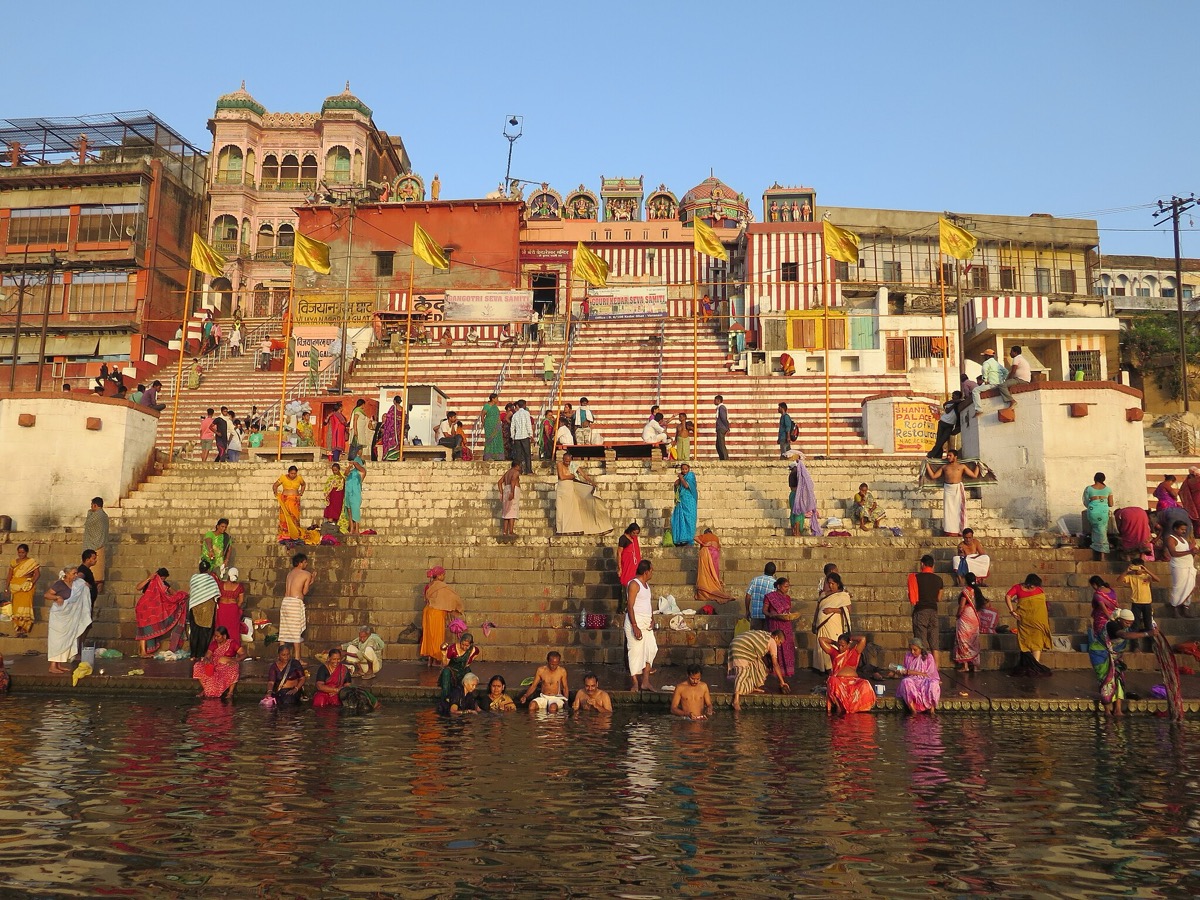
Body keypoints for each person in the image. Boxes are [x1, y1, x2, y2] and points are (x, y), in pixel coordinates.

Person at [1089, 609, 1155, 717]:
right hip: (1100, 654)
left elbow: (1133, 632)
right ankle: (1107, 710)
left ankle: (1118, 710)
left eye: (1130, 623)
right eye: (1126, 622)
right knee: (1106, 680)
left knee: (1119, 678)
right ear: (1119, 620)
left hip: (1115, 655)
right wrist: (1147, 633)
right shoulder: (1112, 625)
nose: (1128, 625)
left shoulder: (1127, 627)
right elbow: (1124, 635)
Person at [923, 450, 981, 537]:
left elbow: (974, 475)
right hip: (948, 489)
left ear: (955, 456)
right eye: (947, 456)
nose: (948, 457)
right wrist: (927, 465)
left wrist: (978, 465)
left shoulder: (962, 466)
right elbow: (933, 476)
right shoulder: (944, 467)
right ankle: (949, 531)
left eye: (950, 455)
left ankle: (960, 530)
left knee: (959, 510)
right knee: (948, 511)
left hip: (958, 488)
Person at [727, 629, 788, 711]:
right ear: (776, 638)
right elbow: (775, 664)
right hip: (740, 647)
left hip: (739, 643)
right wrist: (782, 682)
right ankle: (736, 700)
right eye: (780, 642)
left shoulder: (766, 635)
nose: (779, 645)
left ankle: (752, 686)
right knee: (743, 672)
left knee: (757, 666)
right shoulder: (772, 641)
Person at [46, 566, 91, 675]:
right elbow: (47, 595)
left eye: (76, 573)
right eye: (74, 573)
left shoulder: (78, 583)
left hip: (71, 617)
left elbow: (88, 586)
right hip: (59, 617)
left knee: (67, 640)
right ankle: (52, 666)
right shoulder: (59, 584)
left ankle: (59, 664)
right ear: (67, 574)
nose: (76, 575)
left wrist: (85, 585)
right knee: (56, 641)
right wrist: (57, 597)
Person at [1005, 574, 1053, 676]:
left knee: (1037, 642)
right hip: (1024, 620)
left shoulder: (1039, 590)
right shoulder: (1017, 587)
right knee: (1025, 641)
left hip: (1038, 621)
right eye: (1033, 585)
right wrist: (1012, 611)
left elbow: (1041, 604)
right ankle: (1031, 666)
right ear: (1028, 582)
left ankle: (1035, 665)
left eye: (1035, 586)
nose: (1034, 587)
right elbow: (1008, 596)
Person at [134, 568, 188, 657]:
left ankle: (144, 651)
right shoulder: (150, 581)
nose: (162, 581)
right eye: (162, 579)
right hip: (144, 607)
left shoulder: (164, 584)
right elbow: (138, 587)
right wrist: (149, 578)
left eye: (163, 579)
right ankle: (143, 652)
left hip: (154, 610)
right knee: (143, 629)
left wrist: (181, 596)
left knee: (147, 628)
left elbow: (174, 593)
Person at [555, 451, 611, 535]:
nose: (567, 463)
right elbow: (562, 476)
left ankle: (573, 529)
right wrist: (572, 476)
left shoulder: (574, 466)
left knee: (573, 509)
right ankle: (560, 530)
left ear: (571, 460)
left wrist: (591, 482)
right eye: (566, 461)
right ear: (563, 459)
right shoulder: (559, 464)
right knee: (560, 510)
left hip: (573, 486)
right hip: (563, 488)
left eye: (569, 461)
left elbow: (584, 475)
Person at [819, 633, 875, 715]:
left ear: (848, 645)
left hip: (853, 682)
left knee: (865, 683)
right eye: (839, 645)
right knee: (832, 679)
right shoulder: (834, 653)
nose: (840, 648)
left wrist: (850, 638)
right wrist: (834, 642)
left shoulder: (855, 652)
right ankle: (839, 706)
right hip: (839, 682)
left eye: (843, 645)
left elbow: (863, 639)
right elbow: (821, 639)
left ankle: (859, 708)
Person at [420, 566, 463, 666]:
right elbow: (453, 599)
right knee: (437, 636)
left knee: (429, 636)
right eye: (443, 574)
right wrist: (457, 608)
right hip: (436, 613)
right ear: (439, 576)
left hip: (427, 612)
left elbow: (426, 599)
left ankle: (430, 660)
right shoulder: (442, 586)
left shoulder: (429, 585)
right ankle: (437, 659)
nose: (444, 576)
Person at [625, 560, 656, 691]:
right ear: (646, 572)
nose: (652, 573)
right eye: (651, 570)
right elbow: (630, 606)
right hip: (635, 622)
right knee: (635, 653)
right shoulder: (634, 584)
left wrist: (652, 618)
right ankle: (635, 683)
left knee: (651, 649)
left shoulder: (646, 585)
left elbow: (648, 604)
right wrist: (634, 625)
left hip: (646, 623)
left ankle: (645, 682)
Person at [811, 572, 852, 673]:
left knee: (833, 644)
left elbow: (848, 610)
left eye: (833, 583)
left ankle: (834, 667)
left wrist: (832, 610)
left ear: (838, 584)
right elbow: (817, 609)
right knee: (821, 645)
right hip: (821, 625)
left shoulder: (843, 595)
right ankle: (822, 668)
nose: (830, 585)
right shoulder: (823, 595)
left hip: (834, 624)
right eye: (829, 583)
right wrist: (814, 622)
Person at [763, 577, 802, 678]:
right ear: (779, 586)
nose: (787, 589)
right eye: (785, 587)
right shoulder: (769, 596)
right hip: (775, 624)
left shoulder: (788, 598)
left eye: (788, 587)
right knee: (776, 647)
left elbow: (787, 612)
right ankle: (775, 670)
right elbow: (764, 610)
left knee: (787, 646)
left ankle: (787, 670)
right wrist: (770, 615)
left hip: (786, 625)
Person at [279, 552, 314, 665]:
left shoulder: (290, 574)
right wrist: (312, 580)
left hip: (285, 602)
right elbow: (304, 591)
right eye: (305, 562)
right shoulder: (306, 574)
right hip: (295, 603)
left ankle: (280, 656)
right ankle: (297, 658)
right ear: (300, 563)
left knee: (283, 631)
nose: (306, 564)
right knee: (296, 631)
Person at [192, 626, 245, 699]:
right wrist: (206, 659)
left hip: (227, 665)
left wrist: (235, 660)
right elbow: (208, 655)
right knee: (197, 665)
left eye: (218, 636)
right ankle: (206, 689)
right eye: (215, 636)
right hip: (214, 665)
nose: (215, 638)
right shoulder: (213, 644)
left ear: (224, 636)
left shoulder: (232, 643)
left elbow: (244, 654)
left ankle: (230, 692)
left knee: (234, 667)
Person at [895, 637, 941, 713]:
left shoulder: (928, 657)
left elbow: (930, 675)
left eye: (915, 650)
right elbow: (906, 672)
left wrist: (911, 672)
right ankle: (913, 710)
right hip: (912, 681)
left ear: (921, 649)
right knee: (905, 681)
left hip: (924, 682)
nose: (912, 652)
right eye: (911, 649)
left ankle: (932, 710)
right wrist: (899, 672)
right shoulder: (908, 656)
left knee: (934, 684)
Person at [909, 554, 943, 652]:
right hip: (933, 611)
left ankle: (924, 666)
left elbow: (912, 597)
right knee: (934, 644)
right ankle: (935, 667)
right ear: (933, 565)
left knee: (921, 642)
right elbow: (939, 598)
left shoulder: (915, 577)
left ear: (922, 564)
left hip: (920, 611)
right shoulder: (939, 579)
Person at [5, 543, 39, 637]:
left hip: (26, 587)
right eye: (19, 552)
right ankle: (18, 629)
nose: (21, 554)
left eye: (23, 552)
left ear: (26, 552)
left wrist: (31, 583)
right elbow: (9, 576)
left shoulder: (31, 562)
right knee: (16, 609)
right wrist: (6, 588)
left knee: (25, 608)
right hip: (15, 587)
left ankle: (25, 628)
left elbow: (37, 574)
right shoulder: (13, 562)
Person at [953, 573, 985, 673]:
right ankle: (975, 666)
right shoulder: (978, 591)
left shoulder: (966, 591)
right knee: (974, 640)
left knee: (963, 640)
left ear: (966, 580)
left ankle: (965, 665)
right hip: (975, 617)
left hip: (966, 617)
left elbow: (962, 605)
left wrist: (958, 614)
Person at [1166, 519, 1196, 617]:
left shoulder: (1184, 540)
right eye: (1182, 529)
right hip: (1178, 566)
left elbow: (1188, 553)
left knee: (1190, 587)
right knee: (1178, 587)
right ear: (1175, 529)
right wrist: (1190, 552)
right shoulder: (1171, 538)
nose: (1184, 531)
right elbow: (1173, 553)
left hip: (1188, 566)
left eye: (1185, 529)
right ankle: (1174, 607)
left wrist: (1193, 551)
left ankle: (1185, 607)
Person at [1123, 559, 1158, 640]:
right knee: (1135, 625)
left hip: (1147, 603)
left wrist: (1146, 570)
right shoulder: (1131, 577)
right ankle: (1135, 645)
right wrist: (1126, 571)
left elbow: (1157, 579)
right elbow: (1119, 580)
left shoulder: (1147, 576)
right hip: (1136, 603)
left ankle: (1151, 644)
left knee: (1148, 624)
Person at [694, 529, 732, 602]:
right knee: (714, 571)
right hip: (715, 553)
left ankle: (706, 589)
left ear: (705, 533)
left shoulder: (705, 536)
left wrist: (703, 543)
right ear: (711, 533)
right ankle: (715, 586)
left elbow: (695, 538)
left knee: (705, 572)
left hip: (706, 552)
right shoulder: (715, 537)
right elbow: (718, 547)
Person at [437, 632, 479, 699]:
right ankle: (446, 699)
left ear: (470, 645)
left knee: (469, 675)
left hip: (463, 670)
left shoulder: (474, 650)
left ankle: (467, 699)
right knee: (446, 672)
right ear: (460, 642)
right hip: (452, 670)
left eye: (467, 645)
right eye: (462, 644)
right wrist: (444, 654)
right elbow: (445, 664)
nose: (464, 647)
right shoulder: (452, 649)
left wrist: (467, 663)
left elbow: (472, 658)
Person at [82, 497, 109, 594]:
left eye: (92, 505)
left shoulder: (96, 515)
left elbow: (87, 524)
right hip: (101, 545)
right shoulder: (104, 515)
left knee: (94, 571)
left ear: (95, 505)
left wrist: (89, 512)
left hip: (93, 546)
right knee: (99, 570)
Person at [1083, 472, 1114, 557]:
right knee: (1102, 530)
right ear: (1103, 479)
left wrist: (1093, 506)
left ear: (1094, 479)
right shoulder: (1108, 489)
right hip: (1103, 512)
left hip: (1093, 511)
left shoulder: (1088, 489)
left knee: (1095, 529)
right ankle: (1102, 552)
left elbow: (1086, 502)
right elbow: (1111, 504)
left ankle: (1096, 548)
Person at [789, 454, 821, 537]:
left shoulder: (791, 475)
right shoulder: (796, 474)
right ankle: (797, 532)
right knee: (798, 514)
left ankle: (793, 531)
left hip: (792, 494)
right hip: (797, 495)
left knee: (793, 513)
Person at [273, 466, 307, 541]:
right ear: (288, 472)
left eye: (295, 473)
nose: (293, 475)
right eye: (291, 473)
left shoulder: (299, 478)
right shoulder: (283, 478)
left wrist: (301, 493)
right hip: (285, 500)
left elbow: (303, 485)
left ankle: (294, 534)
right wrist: (276, 493)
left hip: (295, 501)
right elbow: (275, 485)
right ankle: (285, 535)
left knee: (294, 517)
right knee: (285, 517)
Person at [928, 392, 963, 459]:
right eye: (952, 395)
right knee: (939, 441)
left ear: (958, 396)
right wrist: (954, 404)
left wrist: (956, 403)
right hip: (942, 422)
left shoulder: (960, 403)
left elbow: (961, 401)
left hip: (950, 425)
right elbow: (947, 411)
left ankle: (932, 454)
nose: (952, 397)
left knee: (942, 441)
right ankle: (937, 456)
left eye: (954, 396)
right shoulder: (950, 403)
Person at [215, 567, 245, 645]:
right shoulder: (239, 587)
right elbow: (241, 601)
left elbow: (216, 596)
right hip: (233, 609)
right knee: (233, 629)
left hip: (222, 608)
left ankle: (219, 647)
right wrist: (236, 608)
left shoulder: (221, 584)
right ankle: (232, 647)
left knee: (220, 628)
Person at [744, 562, 777, 632]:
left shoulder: (755, 580)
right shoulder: (775, 583)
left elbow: (748, 596)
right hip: (768, 616)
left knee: (755, 638)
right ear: (774, 572)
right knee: (766, 639)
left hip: (755, 615)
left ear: (764, 569)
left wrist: (747, 610)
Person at [671, 464, 698, 546]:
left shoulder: (691, 476)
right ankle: (681, 539)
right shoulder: (682, 477)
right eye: (683, 469)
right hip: (682, 501)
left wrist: (681, 478)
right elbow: (676, 484)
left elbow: (686, 485)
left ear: (689, 469)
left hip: (690, 502)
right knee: (680, 519)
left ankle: (689, 538)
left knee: (690, 519)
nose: (684, 471)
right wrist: (679, 479)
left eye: (686, 469)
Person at [510, 399, 534, 474]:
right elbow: (528, 424)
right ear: (524, 405)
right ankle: (528, 470)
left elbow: (512, 427)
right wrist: (531, 434)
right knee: (527, 454)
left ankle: (519, 470)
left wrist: (513, 436)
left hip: (517, 437)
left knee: (518, 455)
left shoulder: (515, 415)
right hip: (525, 436)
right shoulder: (526, 413)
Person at [379, 395, 405, 461]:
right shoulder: (403, 410)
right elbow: (404, 420)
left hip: (392, 430)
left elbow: (389, 417)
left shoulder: (393, 408)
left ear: (394, 401)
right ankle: (397, 456)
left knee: (391, 442)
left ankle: (390, 456)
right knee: (398, 443)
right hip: (400, 430)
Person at [497, 462, 521, 536]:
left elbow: (499, 482)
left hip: (506, 490)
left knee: (506, 512)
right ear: (517, 466)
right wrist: (512, 492)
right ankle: (510, 531)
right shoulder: (516, 472)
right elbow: (513, 481)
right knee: (512, 512)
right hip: (512, 490)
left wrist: (501, 493)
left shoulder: (507, 473)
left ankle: (505, 531)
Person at [618, 523, 642, 589]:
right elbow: (619, 553)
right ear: (630, 531)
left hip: (635, 564)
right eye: (634, 533)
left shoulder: (634, 538)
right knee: (626, 580)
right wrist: (619, 567)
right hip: (626, 564)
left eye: (637, 533)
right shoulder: (623, 539)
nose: (635, 535)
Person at [481, 393, 504, 461]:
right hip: (489, 425)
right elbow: (482, 416)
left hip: (497, 426)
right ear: (493, 399)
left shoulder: (495, 407)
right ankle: (488, 456)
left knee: (497, 440)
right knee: (489, 440)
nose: (497, 400)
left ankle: (497, 456)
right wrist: (484, 424)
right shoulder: (487, 406)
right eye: (496, 398)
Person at [1180, 466, 1200, 536]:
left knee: (1196, 518)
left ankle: (1197, 533)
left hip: (1193, 500)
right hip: (1198, 499)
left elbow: (1181, 491)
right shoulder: (1198, 479)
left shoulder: (1187, 481)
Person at [713, 395, 730, 460]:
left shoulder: (721, 407)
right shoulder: (719, 408)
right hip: (720, 428)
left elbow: (723, 418)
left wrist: (727, 427)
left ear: (718, 400)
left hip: (721, 428)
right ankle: (722, 458)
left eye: (715, 400)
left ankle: (725, 459)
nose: (714, 401)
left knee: (721, 444)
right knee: (718, 444)